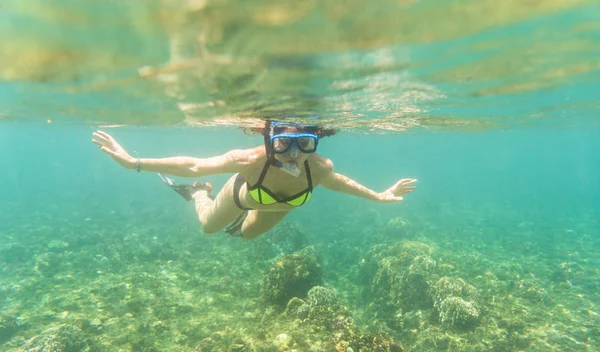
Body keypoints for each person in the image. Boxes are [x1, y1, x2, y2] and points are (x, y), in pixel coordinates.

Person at [92, 120, 417, 239]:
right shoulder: (250, 161)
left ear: (314, 141)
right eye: (282, 143)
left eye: (304, 143)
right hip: (243, 195)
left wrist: (380, 195)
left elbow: (342, 184)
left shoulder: (318, 168)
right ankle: (198, 195)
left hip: (278, 207)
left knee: (247, 236)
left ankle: (238, 220)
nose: (292, 153)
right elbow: (194, 165)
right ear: (268, 140)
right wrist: (133, 162)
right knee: (209, 227)